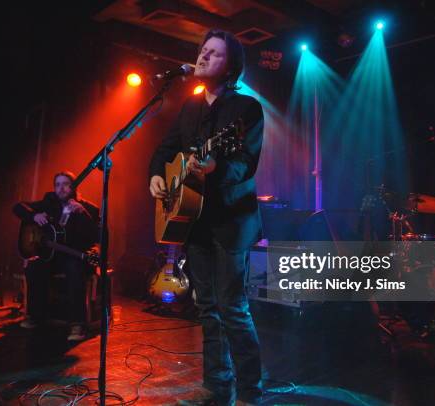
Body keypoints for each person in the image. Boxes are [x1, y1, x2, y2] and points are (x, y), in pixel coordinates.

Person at [149, 29, 264, 406]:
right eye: (203, 50)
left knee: (232, 308)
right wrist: (155, 175)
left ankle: (249, 391)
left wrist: (217, 167)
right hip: (193, 220)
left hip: (231, 221)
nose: (203, 56)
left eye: (213, 53)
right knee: (206, 307)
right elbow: (166, 150)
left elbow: (245, 164)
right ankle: (216, 386)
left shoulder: (246, 109)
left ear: (229, 66)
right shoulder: (191, 107)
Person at [13, 171, 99, 341]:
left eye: (65, 184)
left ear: (74, 187)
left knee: (74, 269)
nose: (61, 188)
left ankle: (77, 324)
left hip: (74, 256)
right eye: (57, 184)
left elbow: (96, 236)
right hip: (52, 256)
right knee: (34, 266)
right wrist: (34, 215)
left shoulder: (88, 208)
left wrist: (83, 214)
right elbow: (18, 207)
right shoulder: (48, 202)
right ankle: (36, 317)